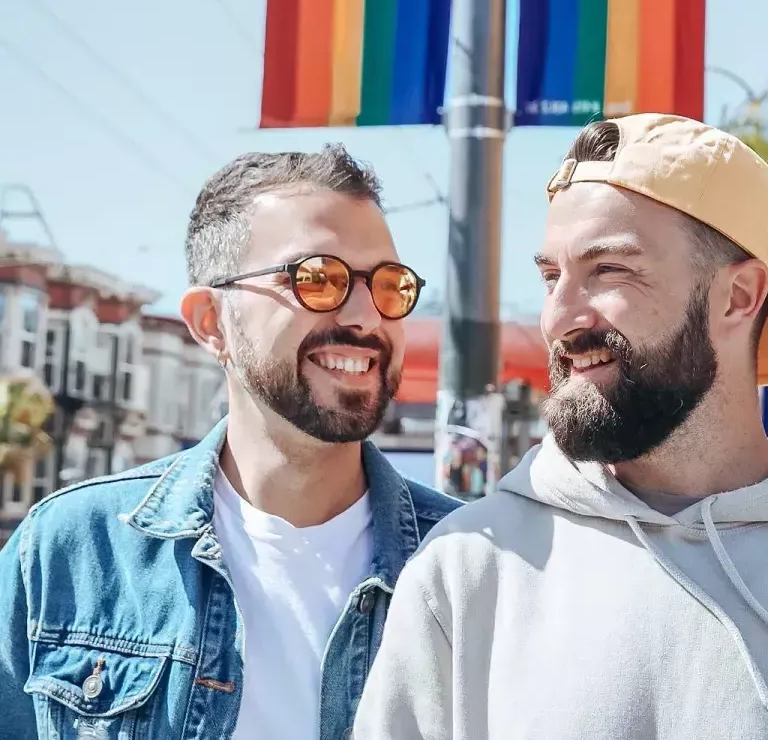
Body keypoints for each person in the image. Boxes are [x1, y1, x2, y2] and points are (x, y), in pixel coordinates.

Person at [354, 114, 768, 739]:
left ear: (738, 297)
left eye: (607, 270)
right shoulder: (469, 567)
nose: (557, 317)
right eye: (552, 276)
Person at [0, 144, 459, 739]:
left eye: (390, 286)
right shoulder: (70, 551)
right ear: (211, 322)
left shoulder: (468, 561)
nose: (368, 318)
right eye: (318, 278)